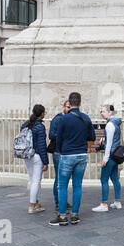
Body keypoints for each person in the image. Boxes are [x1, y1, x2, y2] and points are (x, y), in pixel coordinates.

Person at [49, 92, 96, 226]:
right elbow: (92, 137)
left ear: (70, 103)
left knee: (62, 186)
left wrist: (61, 150)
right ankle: (75, 215)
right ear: (80, 103)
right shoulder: (86, 118)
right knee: (77, 186)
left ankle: (62, 216)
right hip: (81, 155)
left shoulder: (64, 119)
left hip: (67, 155)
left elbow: (58, 138)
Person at [92, 105, 123, 212]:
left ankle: (104, 204)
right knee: (115, 179)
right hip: (116, 156)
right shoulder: (116, 123)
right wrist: (104, 140)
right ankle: (118, 202)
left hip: (110, 156)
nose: (101, 113)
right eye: (101, 111)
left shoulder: (110, 125)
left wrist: (105, 158)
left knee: (104, 179)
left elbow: (109, 143)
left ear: (110, 112)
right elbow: (115, 139)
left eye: (103, 111)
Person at [20, 104, 49, 213]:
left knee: (32, 180)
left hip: (27, 155)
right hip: (37, 156)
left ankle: (35, 202)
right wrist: (46, 162)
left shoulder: (25, 125)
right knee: (36, 181)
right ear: (41, 113)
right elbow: (42, 146)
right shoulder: (40, 127)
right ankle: (32, 206)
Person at [48, 100, 72, 213]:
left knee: (65, 180)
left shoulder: (69, 119)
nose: (69, 109)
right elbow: (51, 135)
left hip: (66, 152)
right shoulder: (57, 119)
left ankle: (63, 201)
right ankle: (58, 204)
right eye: (67, 107)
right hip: (58, 152)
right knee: (59, 179)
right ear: (63, 107)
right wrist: (64, 135)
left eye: (70, 107)